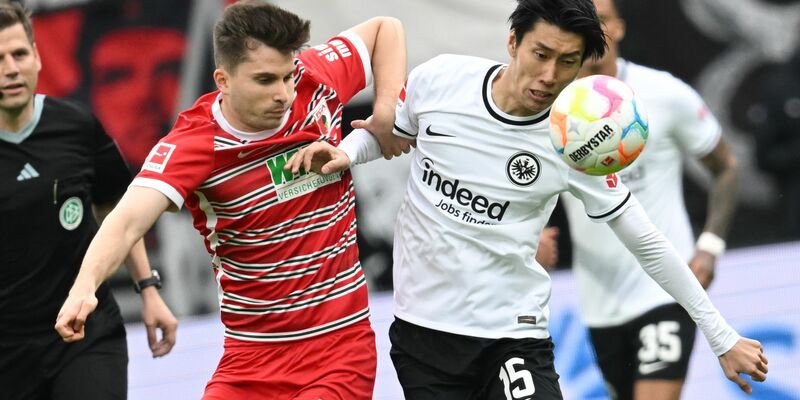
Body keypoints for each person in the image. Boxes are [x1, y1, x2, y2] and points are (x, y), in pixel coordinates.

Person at [286, 0, 769, 398]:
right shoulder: (442, 80)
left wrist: (721, 335)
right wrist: (348, 152)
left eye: (567, 62)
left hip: (511, 335)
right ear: (513, 41)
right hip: (422, 334)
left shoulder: (575, 142)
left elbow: (647, 241)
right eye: (541, 53)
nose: (549, 75)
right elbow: (389, 135)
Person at [54, 1, 408, 399]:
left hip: (338, 351)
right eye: (265, 80)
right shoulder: (193, 144)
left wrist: (387, 109)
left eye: (288, 76)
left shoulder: (316, 80)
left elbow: (385, 28)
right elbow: (127, 221)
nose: (284, 94)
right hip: (249, 359)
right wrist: (84, 287)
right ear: (223, 80)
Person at [538, 0, 744, 398]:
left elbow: (728, 167)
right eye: (586, 26)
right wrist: (532, 235)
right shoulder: (553, 112)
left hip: (666, 289)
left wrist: (710, 246)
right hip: (600, 301)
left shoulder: (662, 92)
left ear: (619, 28)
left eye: (603, 21)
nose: (596, 33)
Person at [0, 3, 177, 400]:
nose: (11, 68)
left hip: (85, 335)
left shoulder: (77, 126)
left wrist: (148, 289)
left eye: (20, 54)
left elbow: (118, 211)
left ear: (38, 56)